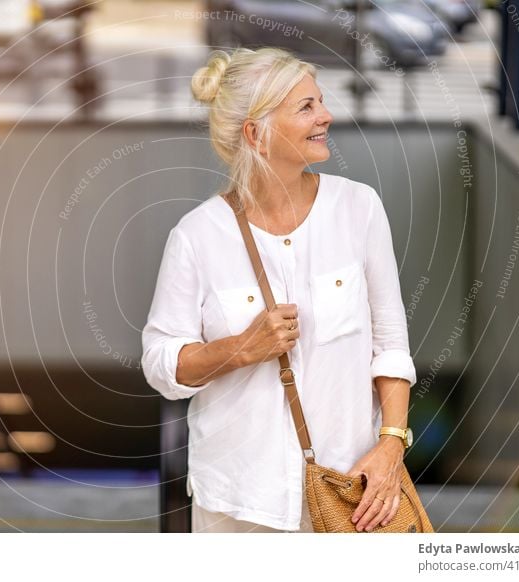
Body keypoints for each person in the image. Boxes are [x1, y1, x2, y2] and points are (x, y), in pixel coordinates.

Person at [141, 47, 417, 533]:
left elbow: (391, 344)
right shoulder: (198, 235)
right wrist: (239, 350)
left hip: (349, 492)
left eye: (321, 102)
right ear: (256, 133)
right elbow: (161, 363)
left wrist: (392, 444)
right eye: (305, 107)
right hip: (236, 504)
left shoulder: (359, 209)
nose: (325, 116)